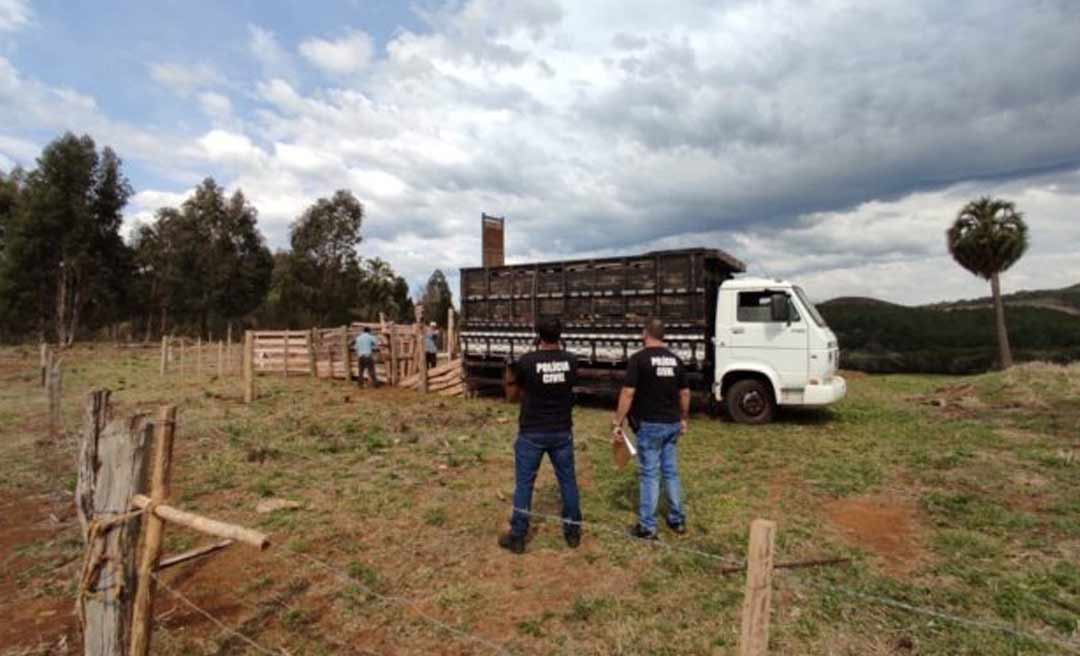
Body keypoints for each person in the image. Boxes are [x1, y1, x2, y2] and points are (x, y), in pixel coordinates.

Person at [498, 317, 582, 554]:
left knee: (524, 484)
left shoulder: (526, 362)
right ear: (560, 335)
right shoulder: (571, 361)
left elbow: (512, 397)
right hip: (562, 431)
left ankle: (518, 536)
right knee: (568, 481)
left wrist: (509, 372)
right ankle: (573, 531)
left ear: (538, 335)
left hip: (532, 432)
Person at [612, 317, 690, 540]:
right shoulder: (676, 360)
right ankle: (677, 520)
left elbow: (628, 393)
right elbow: (684, 393)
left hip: (649, 426)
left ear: (645, 334)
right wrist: (683, 418)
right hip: (672, 424)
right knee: (671, 472)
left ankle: (647, 526)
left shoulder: (638, 359)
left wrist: (618, 422)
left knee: (649, 475)